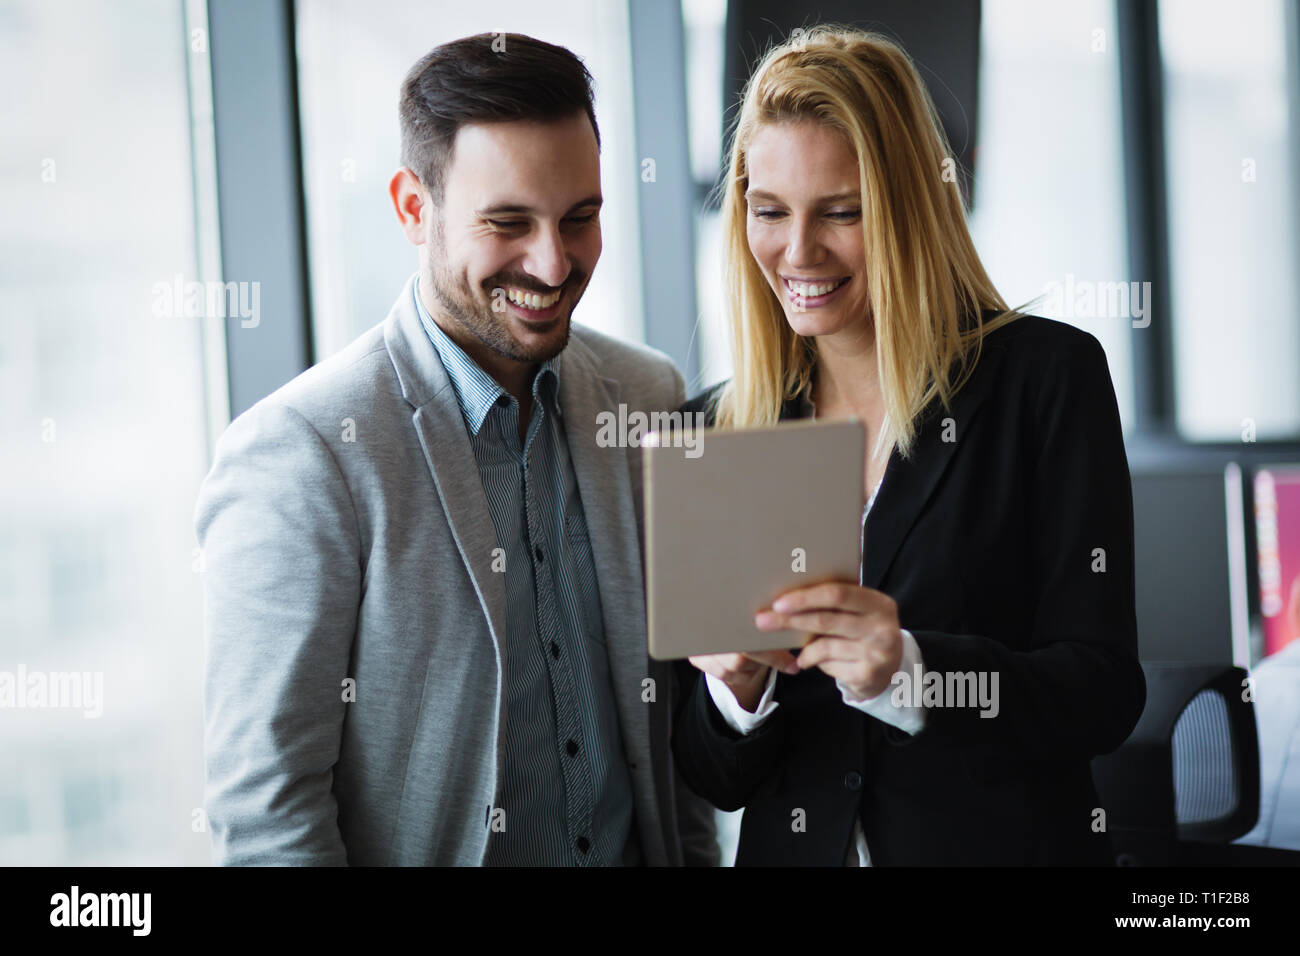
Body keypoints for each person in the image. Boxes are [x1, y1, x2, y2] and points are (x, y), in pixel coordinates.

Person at [196, 33, 716, 866]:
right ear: (413, 208)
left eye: (580, 218)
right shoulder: (302, 455)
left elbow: (672, 747)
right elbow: (268, 815)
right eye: (508, 222)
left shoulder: (647, 396)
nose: (553, 263)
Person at [670, 25, 1146, 865]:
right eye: (770, 210)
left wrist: (916, 672)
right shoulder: (724, 427)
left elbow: (1104, 692)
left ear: (909, 207)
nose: (798, 251)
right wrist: (735, 691)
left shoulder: (1045, 379)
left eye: (841, 212)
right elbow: (715, 775)